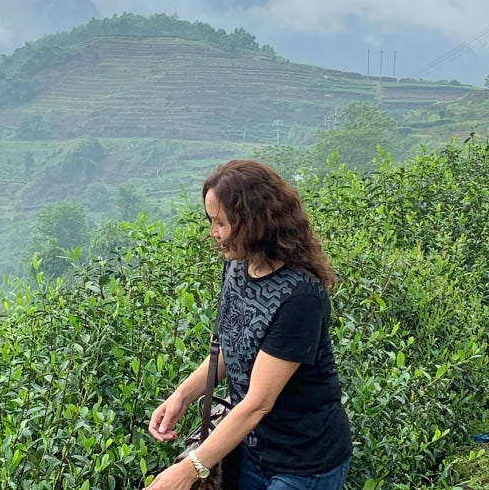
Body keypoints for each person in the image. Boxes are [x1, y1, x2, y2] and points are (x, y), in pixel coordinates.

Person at [147, 159, 352, 490]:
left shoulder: (300, 297)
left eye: (221, 223)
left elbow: (259, 402)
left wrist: (190, 468)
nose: (213, 233)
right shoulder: (238, 268)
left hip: (304, 464)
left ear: (254, 223)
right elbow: (235, 347)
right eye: (210, 221)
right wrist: (182, 396)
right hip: (251, 451)